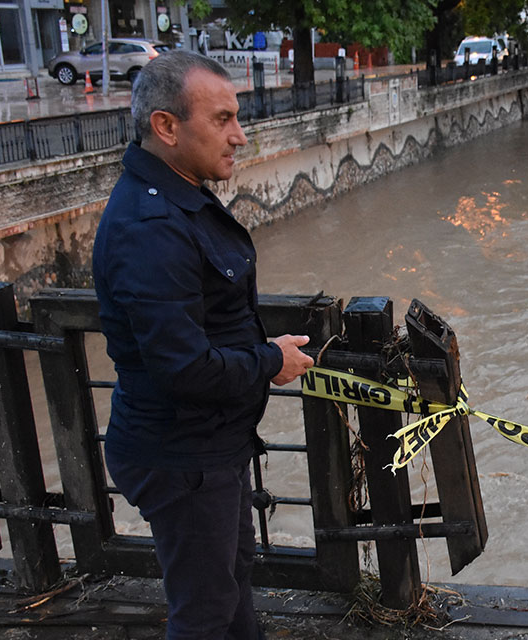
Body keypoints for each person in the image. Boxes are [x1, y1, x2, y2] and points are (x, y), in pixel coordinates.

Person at [92, 50, 314, 639]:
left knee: (227, 584)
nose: (240, 136)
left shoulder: (178, 198)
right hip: (181, 454)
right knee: (204, 610)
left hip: (209, 447)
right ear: (166, 126)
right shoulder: (150, 229)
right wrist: (270, 361)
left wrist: (263, 350)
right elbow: (184, 368)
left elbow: (202, 323)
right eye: (222, 119)